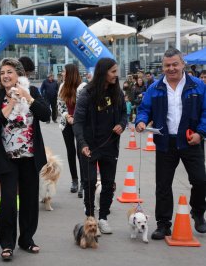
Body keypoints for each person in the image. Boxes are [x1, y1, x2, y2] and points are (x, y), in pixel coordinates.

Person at [136, 48, 206, 240]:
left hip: (191, 141)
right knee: (163, 185)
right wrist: (141, 121)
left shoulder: (198, 86)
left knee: (200, 180)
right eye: (167, 65)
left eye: (175, 64)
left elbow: (205, 112)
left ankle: (198, 213)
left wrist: (201, 133)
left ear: (183, 64)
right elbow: (144, 109)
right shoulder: (155, 88)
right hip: (165, 142)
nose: (171, 68)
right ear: (163, 67)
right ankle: (163, 224)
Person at [0, 58, 50, 260]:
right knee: (8, 203)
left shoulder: (34, 92)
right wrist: (11, 102)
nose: (5, 75)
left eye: (10, 71)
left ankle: (26, 239)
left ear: (19, 74)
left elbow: (46, 114)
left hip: (30, 156)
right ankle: (7, 244)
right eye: (2, 72)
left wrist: (27, 97)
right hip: (7, 158)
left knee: (30, 201)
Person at [73, 58, 127, 234]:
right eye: (112, 71)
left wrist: (122, 125)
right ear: (103, 72)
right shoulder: (86, 93)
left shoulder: (117, 92)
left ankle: (103, 217)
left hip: (110, 145)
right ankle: (90, 217)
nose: (116, 75)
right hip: (89, 146)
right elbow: (78, 122)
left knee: (108, 183)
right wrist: (82, 143)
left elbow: (124, 115)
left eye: (116, 71)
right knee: (88, 183)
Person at [57, 64, 85, 197]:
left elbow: (85, 106)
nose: (62, 73)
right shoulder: (62, 87)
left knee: (81, 153)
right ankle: (75, 180)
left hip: (80, 123)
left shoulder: (82, 87)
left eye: (64, 72)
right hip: (66, 123)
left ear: (70, 73)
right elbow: (59, 105)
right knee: (70, 152)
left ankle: (84, 183)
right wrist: (67, 116)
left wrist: (75, 119)